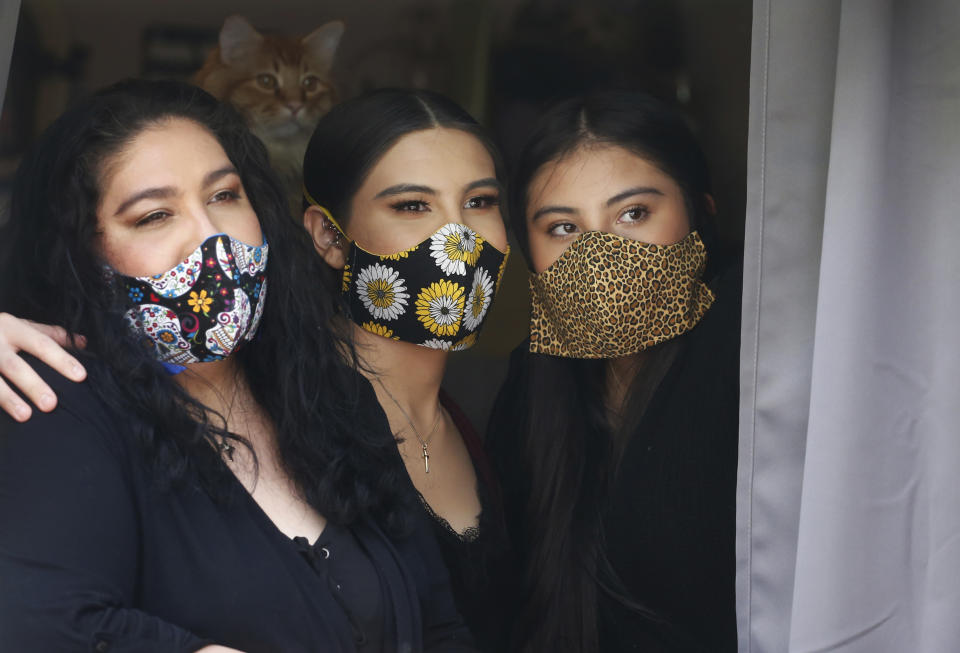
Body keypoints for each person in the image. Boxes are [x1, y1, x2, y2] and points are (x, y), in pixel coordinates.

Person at [0, 87, 514, 651]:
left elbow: (436, 620)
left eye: (224, 196)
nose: (209, 234)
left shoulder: (331, 394)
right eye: (154, 215)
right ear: (83, 256)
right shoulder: (59, 403)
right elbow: (41, 622)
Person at [486, 90, 741, 652]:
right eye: (563, 228)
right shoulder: (533, 383)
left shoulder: (746, 350)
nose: (602, 256)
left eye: (633, 214)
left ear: (702, 213)